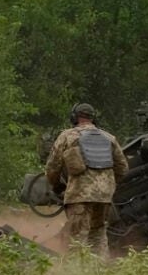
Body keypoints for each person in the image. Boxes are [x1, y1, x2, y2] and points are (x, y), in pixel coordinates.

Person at [45, 103, 128, 257]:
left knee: (76, 237)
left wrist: (56, 186)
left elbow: (53, 167)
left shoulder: (67, 136)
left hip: (79, 194)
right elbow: (122, 168)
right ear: (93, 118)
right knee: (98, 235)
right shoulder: (109, 137)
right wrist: (107, 184)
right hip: (103, 197)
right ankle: (100, 273)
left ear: (74, 117)